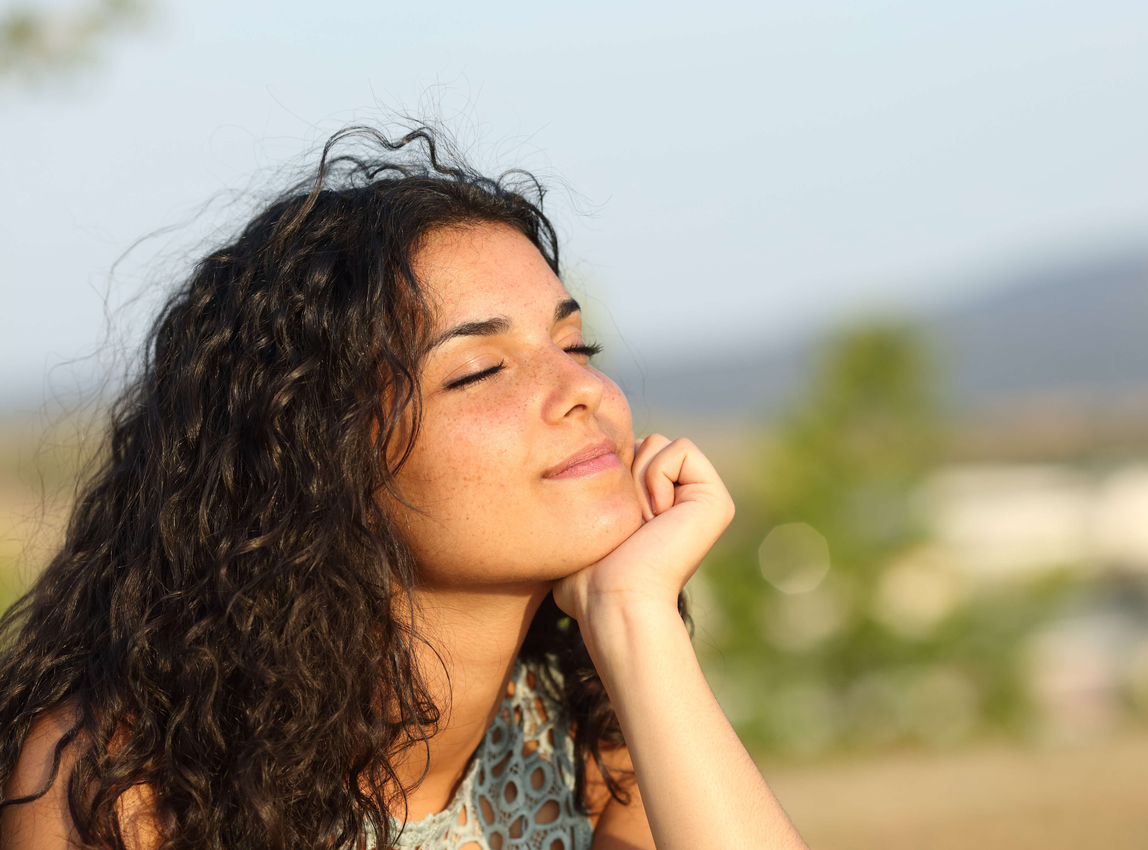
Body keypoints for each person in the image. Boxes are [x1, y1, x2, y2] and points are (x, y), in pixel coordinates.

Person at [0, 126, 808, 850]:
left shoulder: (587, 727)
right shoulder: (126, 791)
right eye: (482, 370)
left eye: (576, 343)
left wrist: (636, 619)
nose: (583, 390)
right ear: (322, 459)